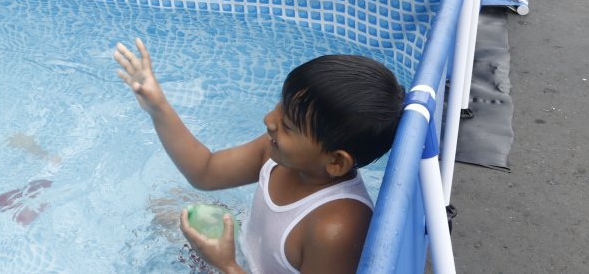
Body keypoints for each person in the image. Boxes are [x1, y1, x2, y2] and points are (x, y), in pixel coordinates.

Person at [114, 45, 403, 274]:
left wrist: (226, 265)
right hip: (241, 254)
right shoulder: (277, 153)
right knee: (164, 205)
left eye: (288, 125)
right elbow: (205, 171)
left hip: (233, 265)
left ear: (336, 162)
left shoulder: (335, 228)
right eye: (279, 106)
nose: (269, 120)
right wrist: (158, 107)